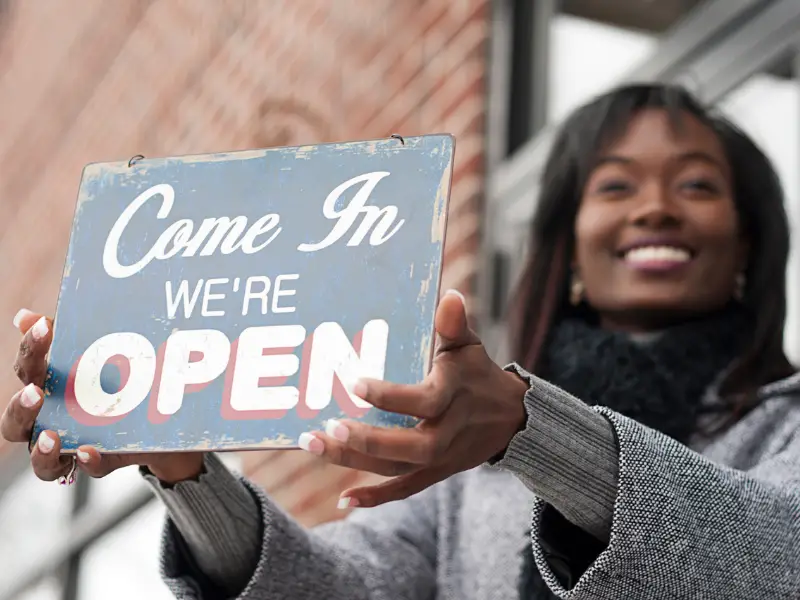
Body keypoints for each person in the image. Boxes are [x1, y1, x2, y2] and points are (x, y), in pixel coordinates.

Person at [3, 83, 800, 600]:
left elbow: (776, 558)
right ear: (570, 249)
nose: (655, 208)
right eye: (616, 185)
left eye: (696, 184)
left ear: (750, 247)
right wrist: (179, 467)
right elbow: (340, 589)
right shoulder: (468, 468)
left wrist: (537, 433)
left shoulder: (782, 422)